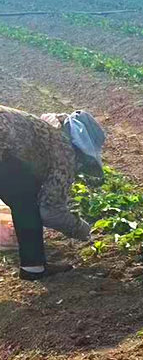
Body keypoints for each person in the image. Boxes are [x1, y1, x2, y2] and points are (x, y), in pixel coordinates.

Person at [0, 106, 96, 279]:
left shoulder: (45, 131)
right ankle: (33, 267)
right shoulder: (65, 151)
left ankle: (33, 266)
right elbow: (50, 212)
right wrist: (82, 229)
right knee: (25, 202)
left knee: (21, 192)